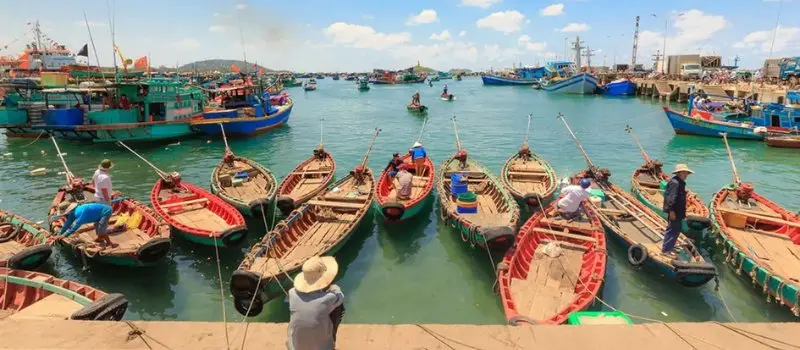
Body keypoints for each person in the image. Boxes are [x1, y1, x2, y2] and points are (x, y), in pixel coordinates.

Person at [287, 256, 344, 350]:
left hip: (296, 347)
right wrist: (333, 287)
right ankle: (332, 339)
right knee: (339, 307)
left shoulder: (292, 293)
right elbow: (340, 296)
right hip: (323, 348)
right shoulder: (329, 297)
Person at [50, 202, 118, 247]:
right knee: (97, 225)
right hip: (97, 214)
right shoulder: (72, 213)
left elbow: (74, 228)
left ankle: (109, 243)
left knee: (101, 228)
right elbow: (67, 224)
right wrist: (59, 234)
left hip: (106, 211)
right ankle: (100, 238)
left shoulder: (81, 213)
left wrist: (64, 235)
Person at [662, 164, 692, 255]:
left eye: (687, 173)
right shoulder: (675, 183)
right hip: (674, 212)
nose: (686, 174)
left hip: (679, 212)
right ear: (679, 173)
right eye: (685, 173)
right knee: (672, 230)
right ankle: (666, 250)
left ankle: (670, 247)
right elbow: (670, 198)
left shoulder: (680, 182)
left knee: (676, 230)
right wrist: (671, 211)